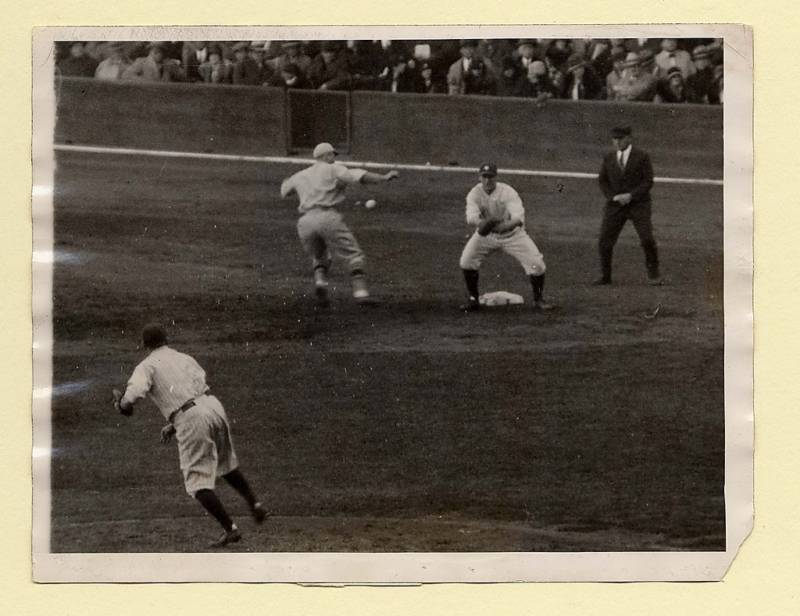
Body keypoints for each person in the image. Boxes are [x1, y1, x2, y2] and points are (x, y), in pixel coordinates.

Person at [112, 324, 267, 548]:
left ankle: (230, 529)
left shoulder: (146, 366)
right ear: (166, 339)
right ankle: (256, 504)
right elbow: (195, 393)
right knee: (225, 464)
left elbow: (133, 396)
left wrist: (120, 405)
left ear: (145, 345)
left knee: (197, 484)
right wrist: (173, 425)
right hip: (213, 407)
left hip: (191, 418)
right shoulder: (184, 357)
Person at [280, 142, 400, 306]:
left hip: (305, 221)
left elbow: (284, 191)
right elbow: (359, 175)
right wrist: (384, 177)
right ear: (327, 156)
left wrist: (293, 183)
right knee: (353, 255)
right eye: (332, 155)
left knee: (320, 256)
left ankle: (320, 284)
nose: (334, 158)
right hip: (327, 217)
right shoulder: (334, 168)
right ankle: (361, 294)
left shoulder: (300, 175)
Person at [459, 163, 553, 312]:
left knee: (537, 265)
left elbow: (517, 219)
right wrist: (488, 225)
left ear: (496, 177)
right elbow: (471, 218)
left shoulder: (508, 192)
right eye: (484, 177)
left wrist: (501, 227)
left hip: (513, 236)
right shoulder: (474, 193)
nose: (487, 180)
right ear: (479, 177)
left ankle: (538, 299)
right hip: (487, 236)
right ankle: (473, 299)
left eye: (490, 177)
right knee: (466, 262)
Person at [595, 126, 662, 286]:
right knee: (604, 241)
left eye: (620, 139)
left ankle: (654, 275)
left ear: (629, 138)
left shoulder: (642, 156)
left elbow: (648, 181)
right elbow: (602, 180)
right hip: (616, 205)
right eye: (614, 139)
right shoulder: (609, 157)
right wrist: (613, 197)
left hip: (639, 204)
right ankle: (606, 277)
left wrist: (631, 195)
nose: (617, 142)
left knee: (647, 239)